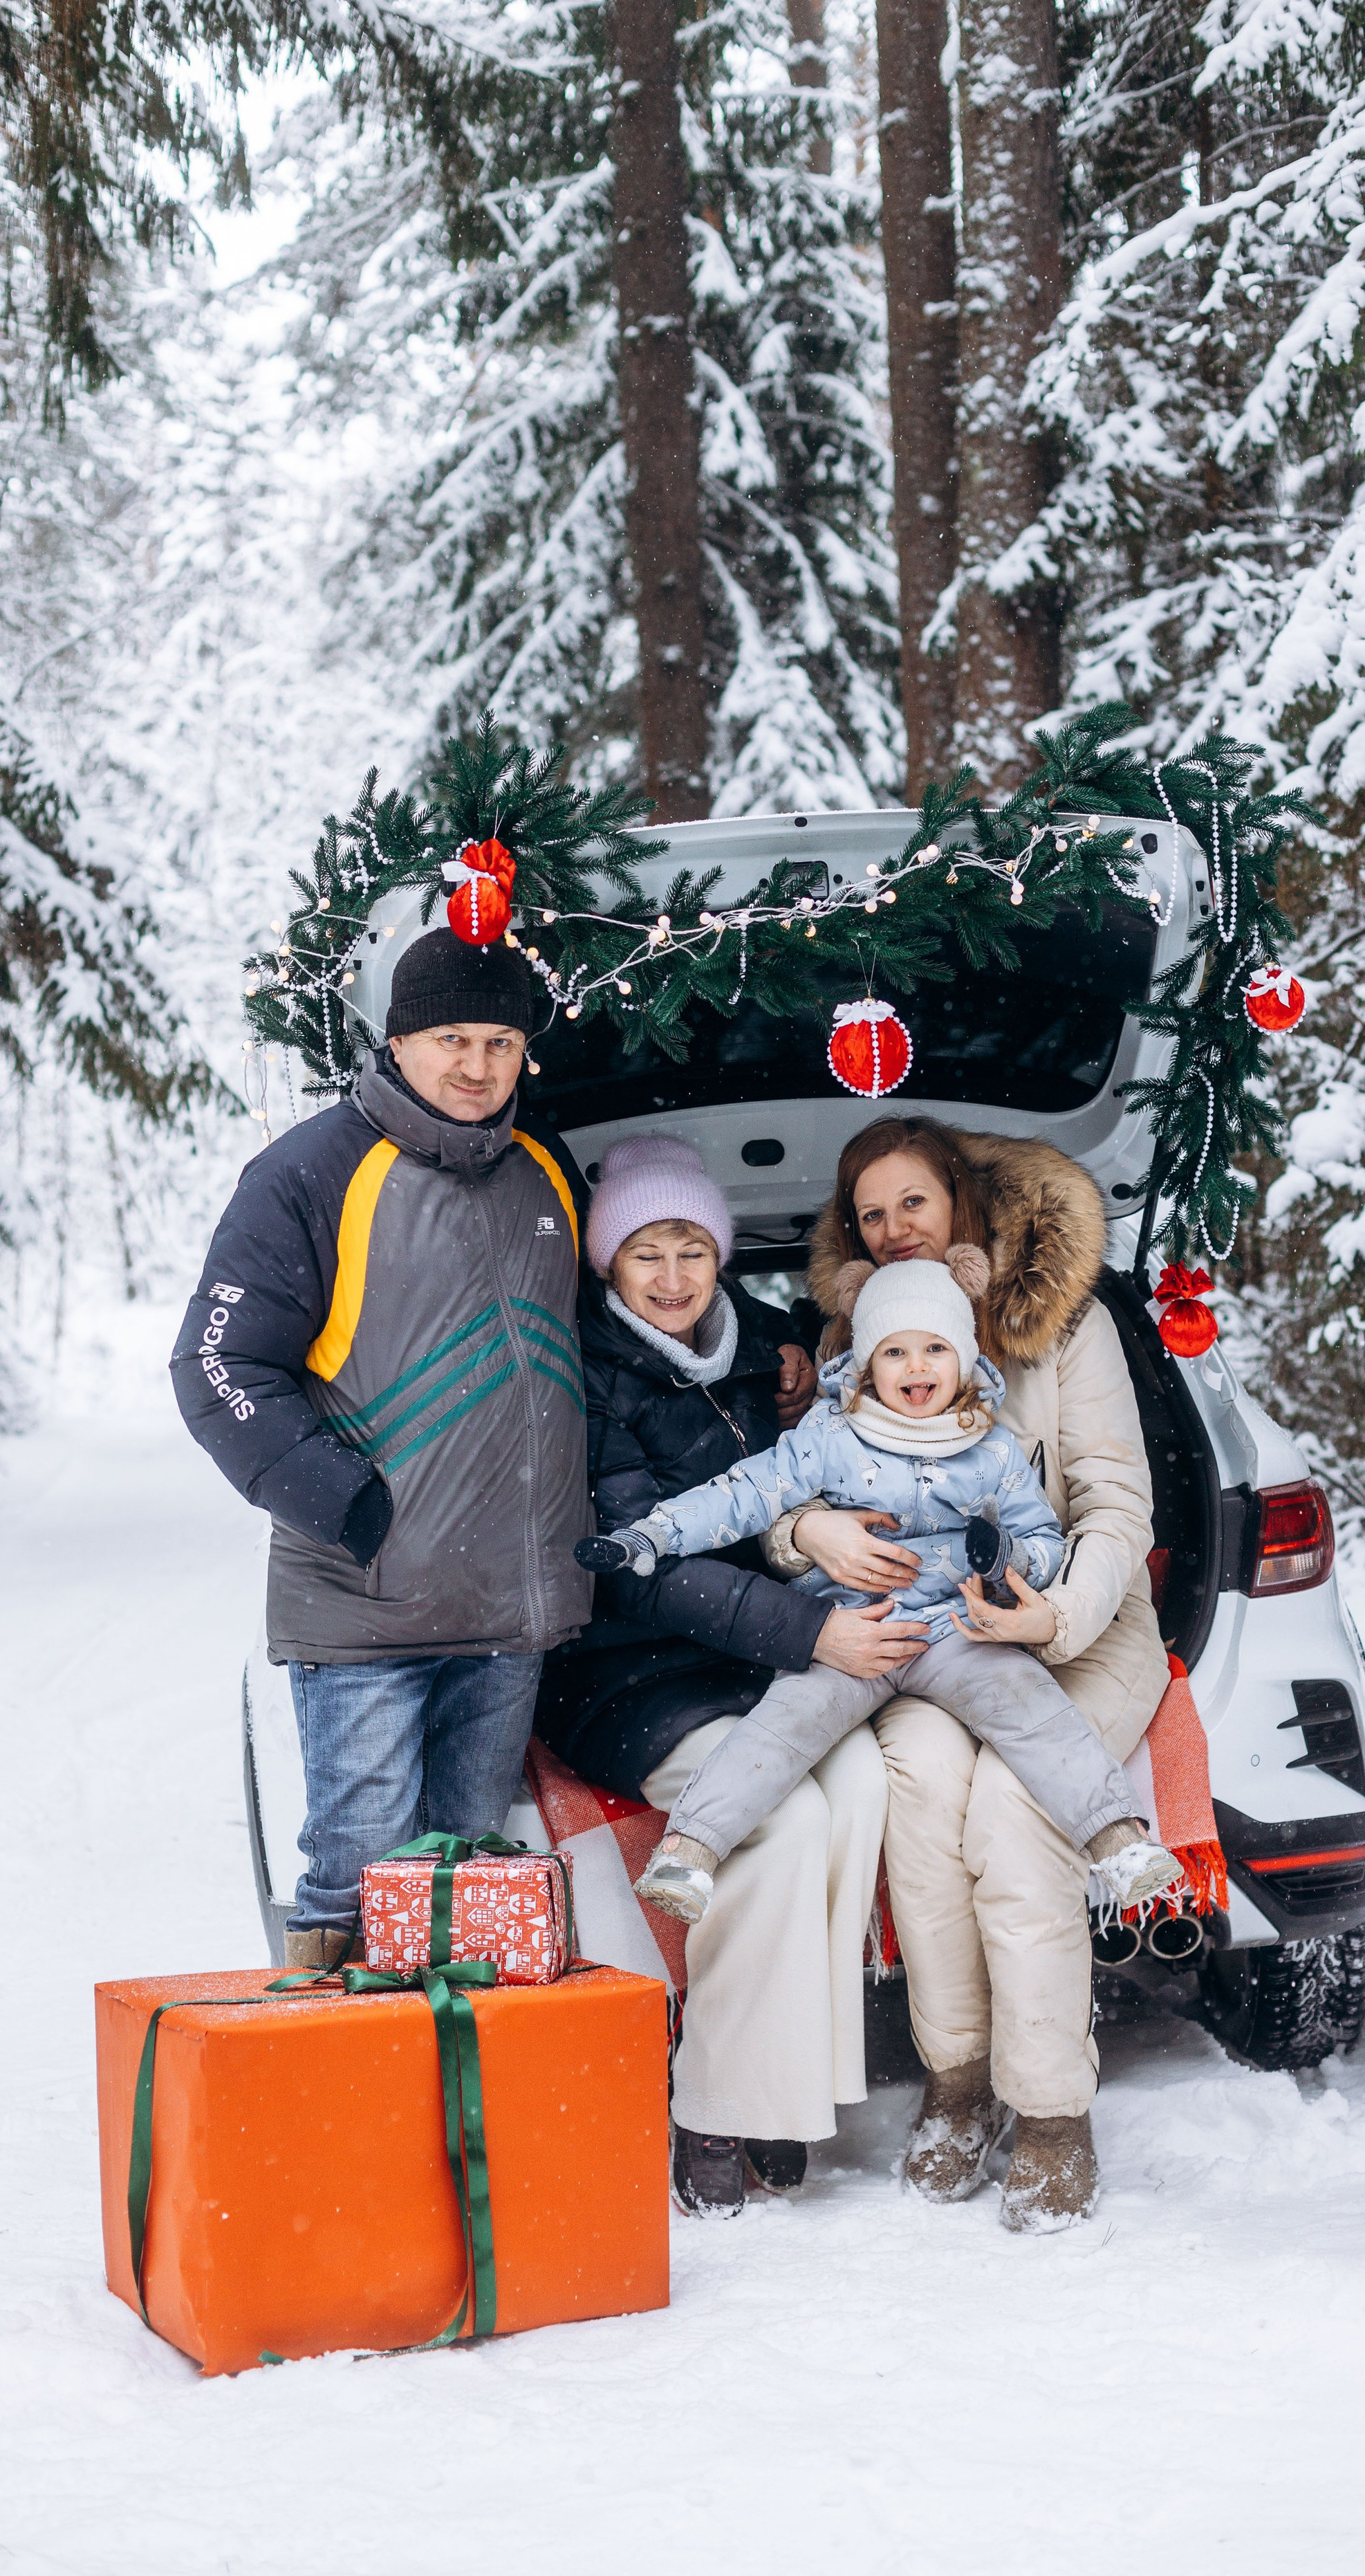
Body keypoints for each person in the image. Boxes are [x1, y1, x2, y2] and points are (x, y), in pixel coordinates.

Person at [767, 1116, 1171, 2232]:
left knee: (1014, 1805)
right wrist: (812, 1536)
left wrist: (1056, 1616)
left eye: (914, 1205)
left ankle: (1049, 2114)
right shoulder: (858, 1353)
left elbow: (1117, 1504)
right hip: (929, 1642)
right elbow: (787, 1495)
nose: (894, 1231)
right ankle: (958, 2078)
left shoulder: (1067, 1328)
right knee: (926, 1789)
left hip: (1079, 1630)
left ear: (962, 1206)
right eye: (871, 1215)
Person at [170, 928, 591, 1971]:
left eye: (500, 1041)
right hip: (366, 1608)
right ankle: (340, 2123)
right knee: (362, 1884)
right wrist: (349, 1508)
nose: (477, 1066)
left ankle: (454, 2120)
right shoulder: (308, 1174)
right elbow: (218, 1367)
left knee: (472, 1887)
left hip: (507, 1617)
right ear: (397, 1038)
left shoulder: (547, 1168)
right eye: (451, 1037)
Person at [581, 1252, 1176, 1923]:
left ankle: (1117, 1841)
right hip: (852, 1631)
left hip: (955, 1630)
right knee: (780, 1728)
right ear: (866, 1365)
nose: (916, 1367)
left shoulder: (992, 1450)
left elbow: (1042, 1542)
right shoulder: (831, 1435)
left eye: (933, 1349)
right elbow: (743, 1495)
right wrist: (653, 1536)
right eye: (893, 1351)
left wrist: (1005, 1559)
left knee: (1034, 1710)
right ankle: (689, 1853)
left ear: (963, 1359)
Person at [535, 1135, 902, 2218]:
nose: (672, 1277)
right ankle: (711, 2104)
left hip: (750, 1653)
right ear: (609, 1263)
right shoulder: (584, 1375)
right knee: (775, 1824)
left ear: (720, 1256)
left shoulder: (761, 1350)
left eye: (691, 1248)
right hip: (627, 1672)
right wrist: (812, 1635)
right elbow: (638, 1569)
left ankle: (786, 2090)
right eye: (646, 1253)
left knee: (864, 1788)